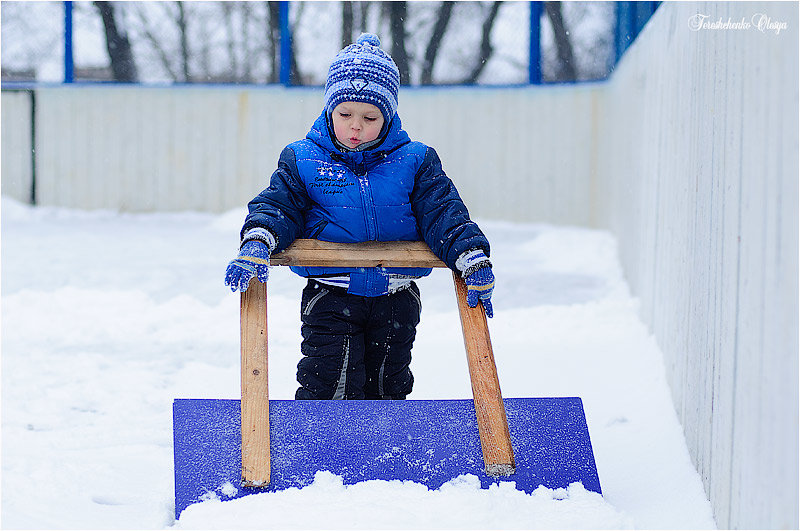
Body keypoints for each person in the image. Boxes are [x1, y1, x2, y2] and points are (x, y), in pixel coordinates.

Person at [225, 33, 494, 400]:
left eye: (370, 117)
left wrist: (471, 256)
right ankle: (324, 448)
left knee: (388, 387)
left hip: (396, 297)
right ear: (328, 111)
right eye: (344, 114)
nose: (356, 126)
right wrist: (258, 240)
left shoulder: (415, 160)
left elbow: (443, 213)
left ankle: (386, 452)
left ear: (388, 116)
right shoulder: (304, 159)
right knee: (330, 384)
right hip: (332, 295)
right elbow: (278, 205)